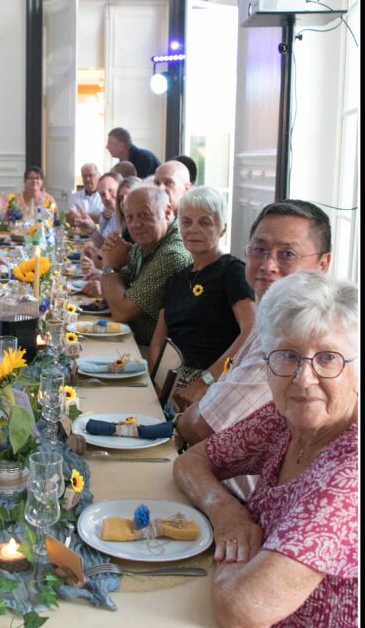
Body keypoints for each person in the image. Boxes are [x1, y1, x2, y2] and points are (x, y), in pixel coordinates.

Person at [173, 270, 358, 628]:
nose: (304, 377)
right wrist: (227, 514)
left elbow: (243, 607)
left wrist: (231, 553)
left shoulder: (350, 474)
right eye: (287, 356)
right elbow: (190, 462)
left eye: (328, 358)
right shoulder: (289, 418)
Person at [175, 200, 332, 447]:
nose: (268, 266)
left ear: (323, 265)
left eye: (287, 254)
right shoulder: (270, 314)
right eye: (259, 250)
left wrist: (185, 416)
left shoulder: (294, 337)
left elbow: (200, 428)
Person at [148, 186, 256, 395]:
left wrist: (205, 380)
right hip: (169, 383)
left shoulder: (232, 271)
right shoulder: (176, 280)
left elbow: (251, 330)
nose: (193, 229)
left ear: (222, 228)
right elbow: (157, 343)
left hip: (213, 384)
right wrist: (159, 386)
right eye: (186, 222)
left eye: (204, 222)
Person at [97, 184, 191, 346]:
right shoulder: (147, 242)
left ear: (167, 212)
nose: (135, 224)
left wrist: (110, 266)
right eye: (129, 217)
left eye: (144, 215)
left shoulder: (172, 254)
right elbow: (111, 298)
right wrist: (110, 261)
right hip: (131, 342)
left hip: (150, 352)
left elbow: (120, 312)